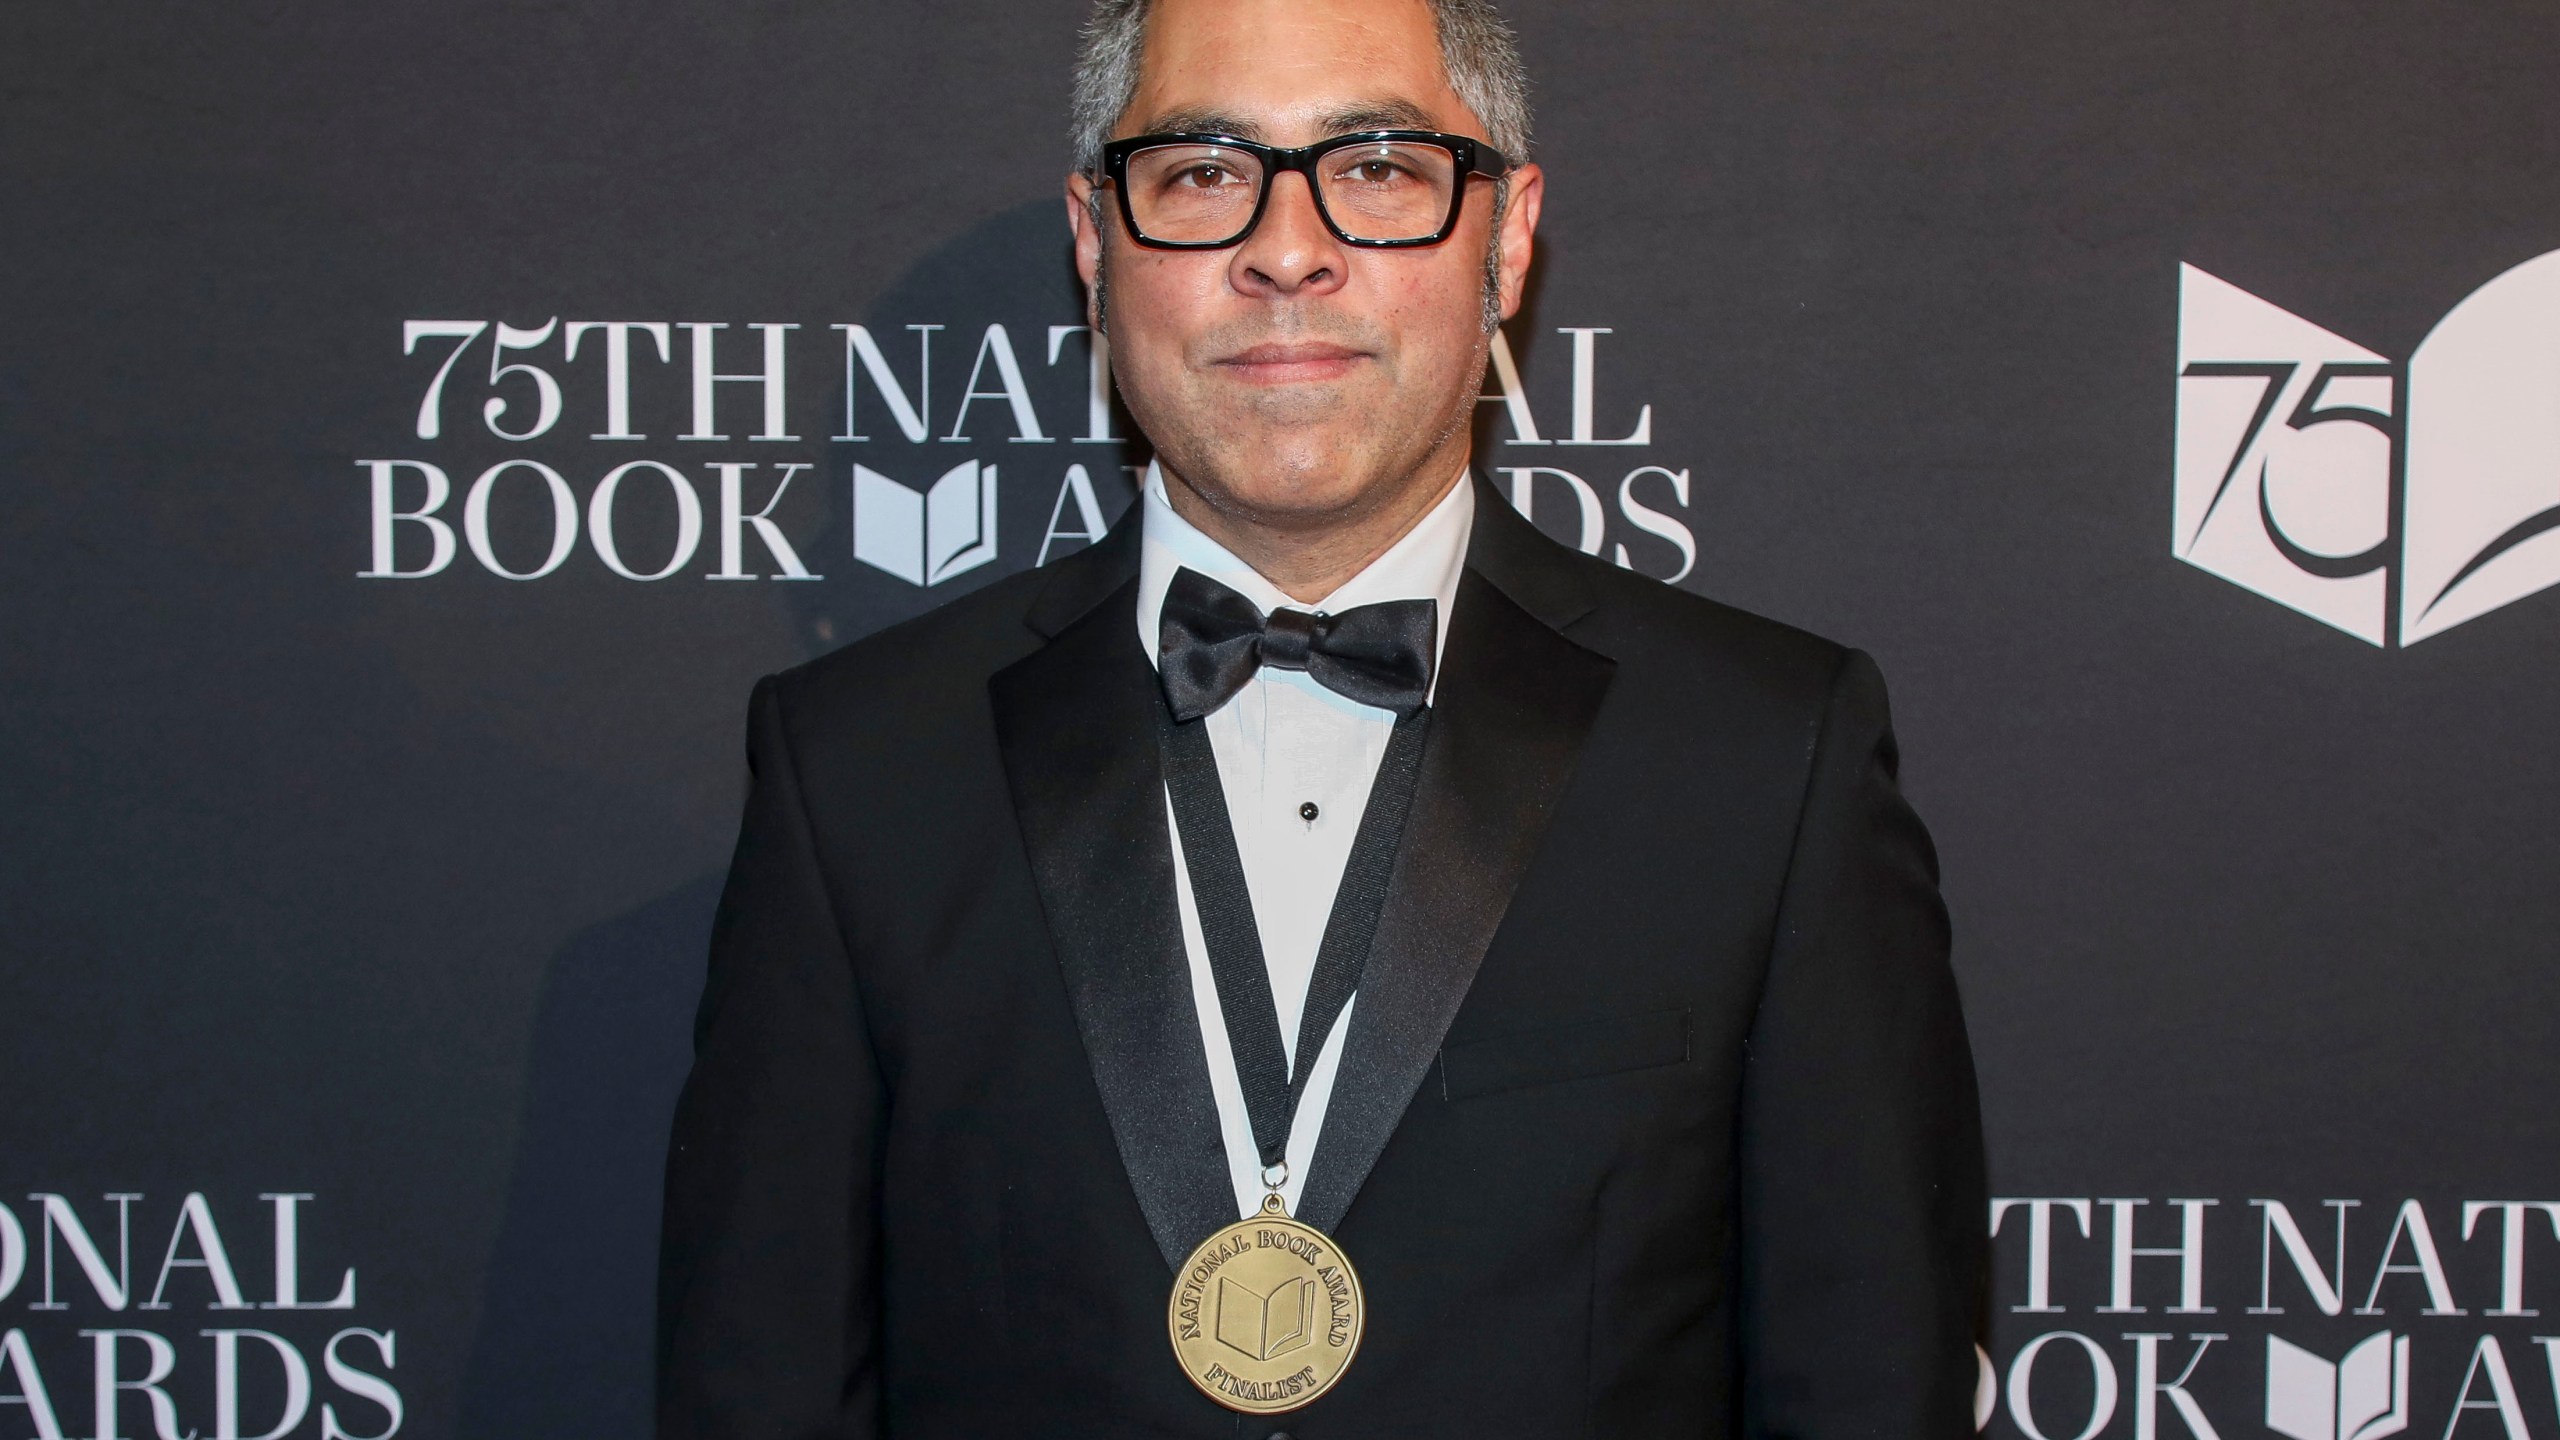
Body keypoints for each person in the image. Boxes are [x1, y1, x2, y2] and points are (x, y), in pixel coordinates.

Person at [656, 0, 1986, 1434]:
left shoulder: (1767, 759)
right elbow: (760, 1387)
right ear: (1098, 245)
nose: (1287, 251)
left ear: (1507, 235)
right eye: (1204, 171)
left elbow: (1867, 1386)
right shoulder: (855, 765)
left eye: (1379, 167)